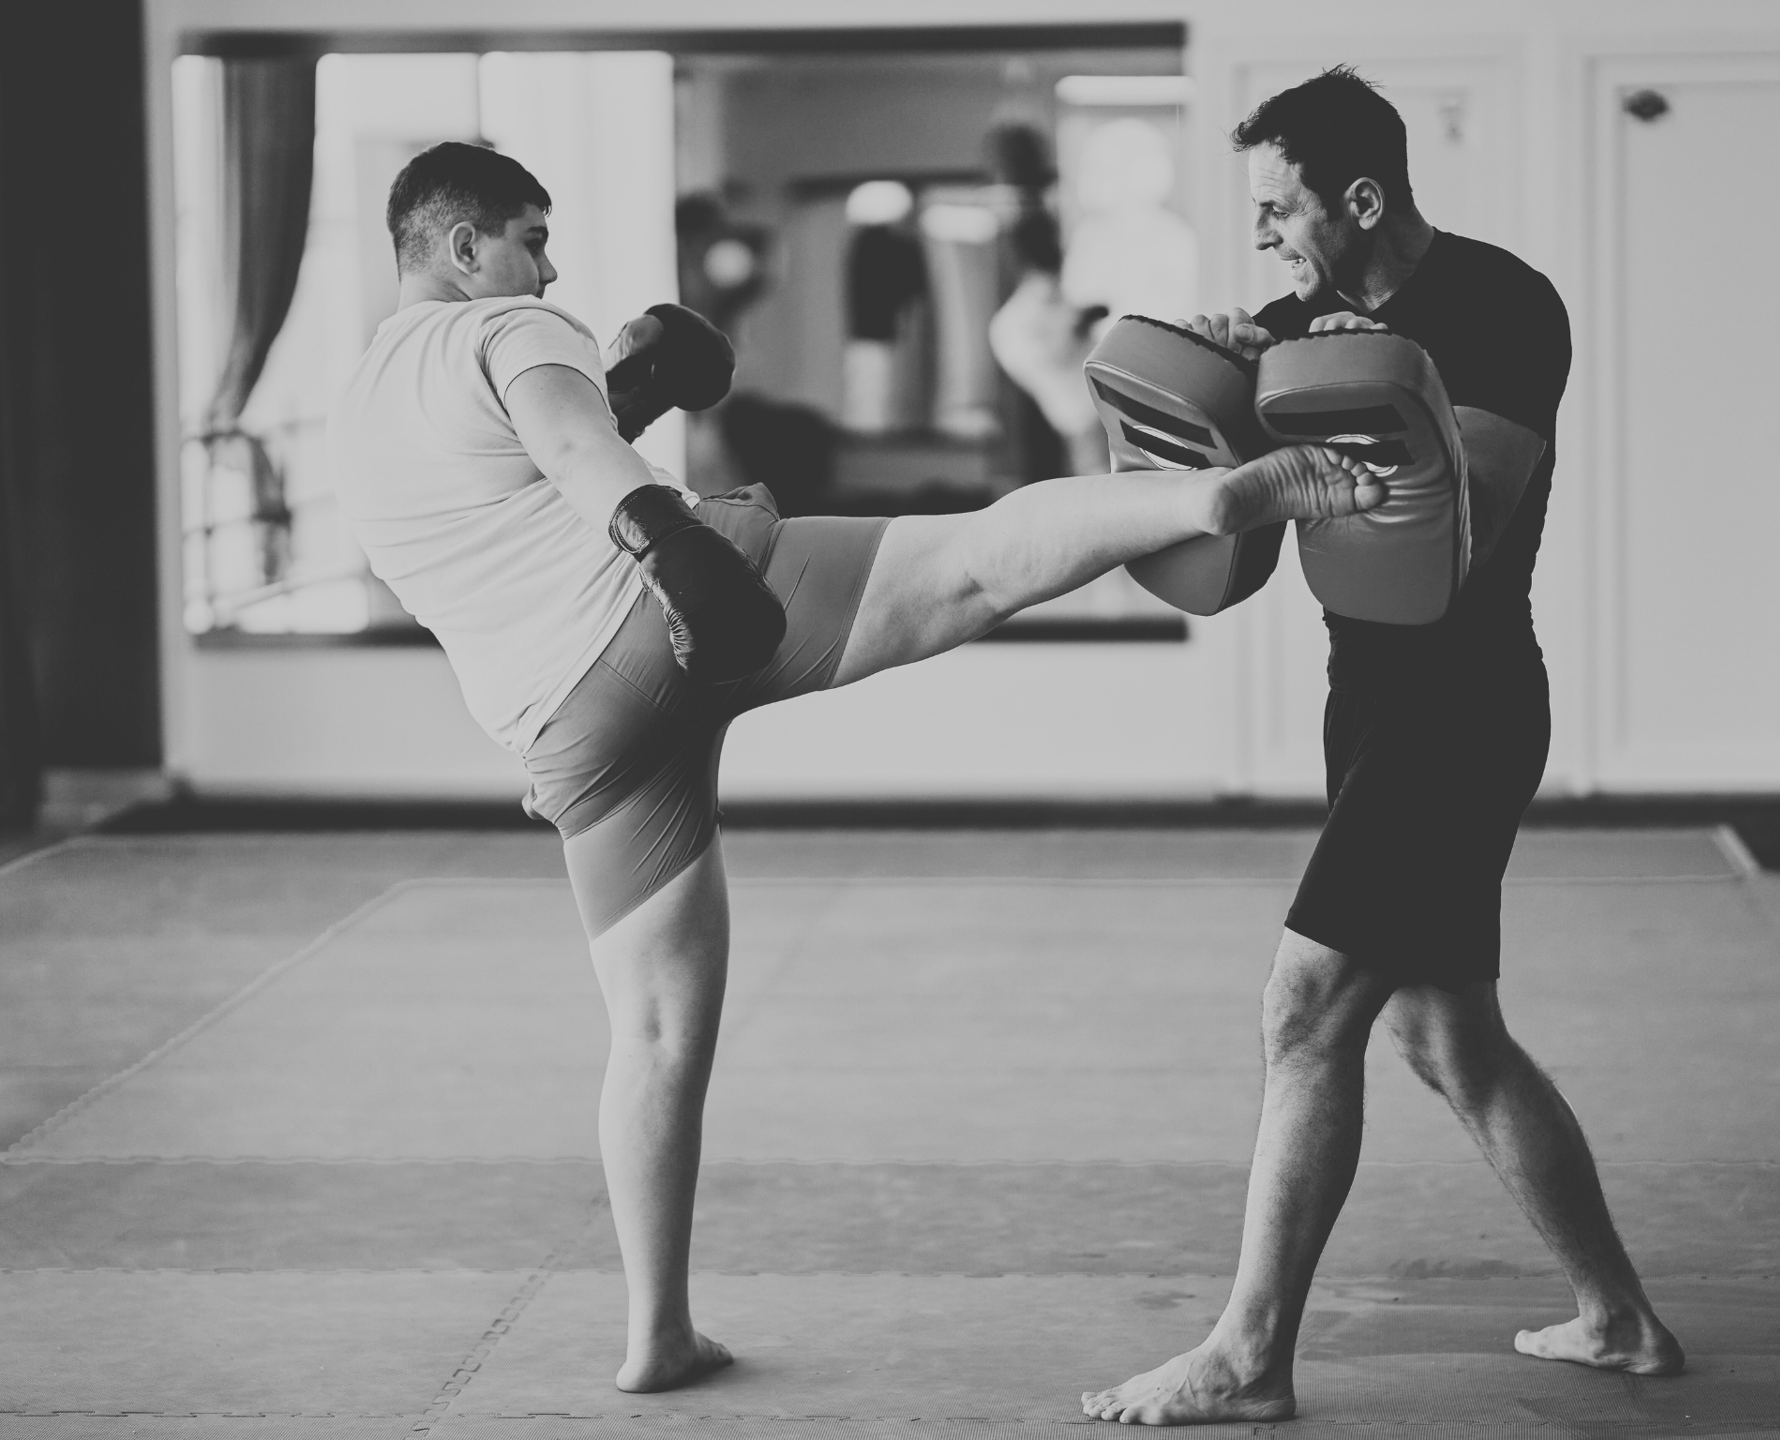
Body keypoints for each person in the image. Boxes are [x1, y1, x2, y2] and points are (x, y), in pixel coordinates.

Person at [325, 141, 1378, 1395]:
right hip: (656, 612)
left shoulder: (359, 411)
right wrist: (672, 543)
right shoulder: (509, 327)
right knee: (975, 563)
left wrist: (629, 399)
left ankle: (657, 1334)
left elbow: (500, 503)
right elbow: (566, 451)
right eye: (531, 241)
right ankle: (1216, 499)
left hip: (565, 730)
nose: (549, 270)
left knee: (650, 1032)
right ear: (462, 247)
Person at [1082, 68, 1685, 1426]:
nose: (1264, 235)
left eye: (1279, 208)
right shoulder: (1297, 325)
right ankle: (1620, 1321)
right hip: (1366, 704)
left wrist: (1335, 406)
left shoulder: (1499, 304)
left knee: (1304, 1009)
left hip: (1461, 705)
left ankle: (1247, 1356)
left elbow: (1467, 514)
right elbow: (1222, 510)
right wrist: (1227, 385)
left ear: (1360, 198)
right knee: (1447, 1033)